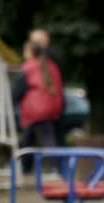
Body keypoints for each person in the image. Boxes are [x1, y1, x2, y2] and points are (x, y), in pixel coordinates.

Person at [13, 41, 64, 173]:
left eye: (25, 51)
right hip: (51, 108)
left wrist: (13, 102)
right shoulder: (51, 66)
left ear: (30, 52)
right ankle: (26, 167)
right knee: (29, 139)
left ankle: (57, 169)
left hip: (35, 110)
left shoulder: (28, 67)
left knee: (46, 140)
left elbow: (19, 89)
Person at [29, 28, 66, 147]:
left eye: (33, 41)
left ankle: (57, 164)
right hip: (52, 107)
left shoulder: (40, 63)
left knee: (50, 141)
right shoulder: (50, 61)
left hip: (43, 109)